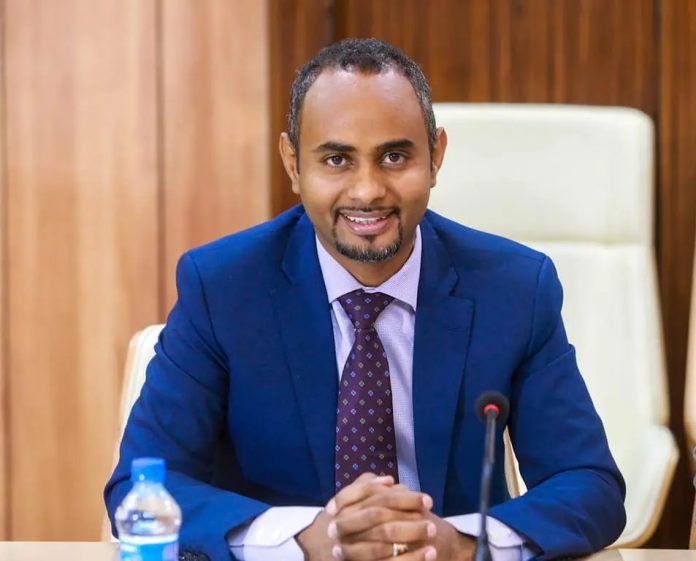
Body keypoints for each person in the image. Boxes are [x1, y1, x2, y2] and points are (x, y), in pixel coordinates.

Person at [105, 38, 626, 561]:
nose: (368, 190)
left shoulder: (513, 288)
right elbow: (140, 487)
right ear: (293, 164)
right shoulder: (223, 287)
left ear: (436, 156)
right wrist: (303, 538)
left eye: (394, 157)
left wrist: (461, 542)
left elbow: (589, 484)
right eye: (337, 159)